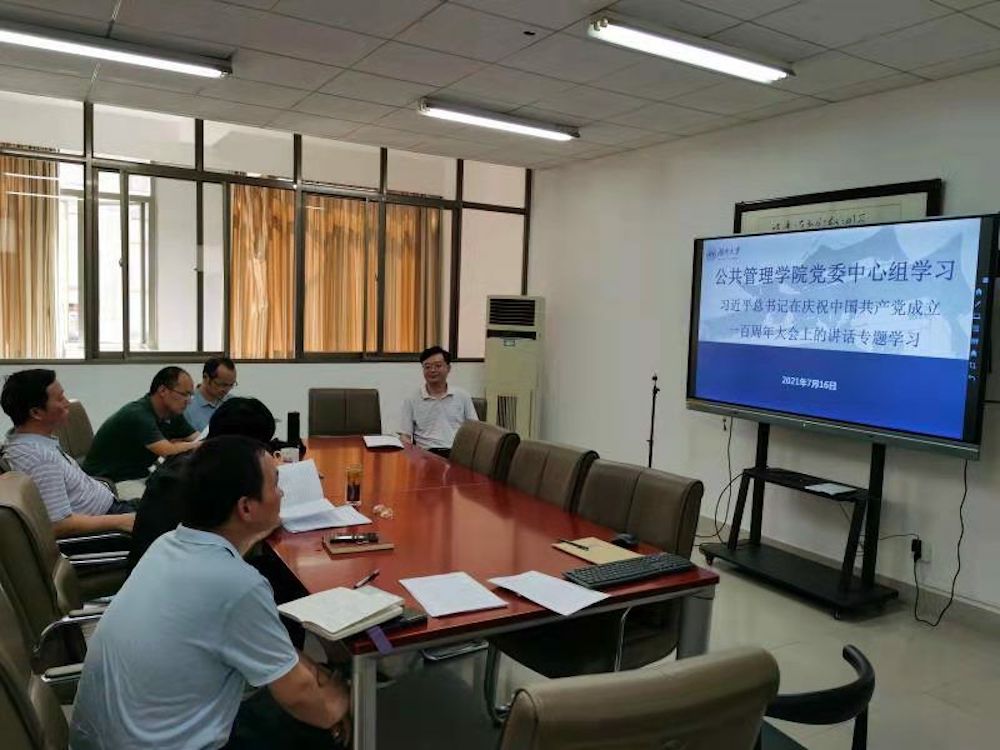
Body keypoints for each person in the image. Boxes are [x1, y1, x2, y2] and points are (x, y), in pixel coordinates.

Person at [70, 435, 351, 750]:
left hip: (105, 739)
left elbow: (271, 647)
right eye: (275, 484)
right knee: (322, 726)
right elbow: (307, 701)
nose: (282, 493)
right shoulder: (237, 585)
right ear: (246, 507)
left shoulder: (166, 545)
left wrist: (314, 673)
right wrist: (345, 698)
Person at [128, 396, 277, 569]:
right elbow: (219, 554)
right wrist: (261, 528)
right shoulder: (199, 481)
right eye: (260, 450)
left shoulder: (194, 461)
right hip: (176, 574)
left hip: (170, 568)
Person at [0, 369, 135, 538]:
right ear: (36, 413)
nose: (67, 403)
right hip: (109, 526)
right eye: (59, 399)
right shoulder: (39, 459)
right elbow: (59, 525)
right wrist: (122, 521)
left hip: (112, 510)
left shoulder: (31, 441)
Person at [82, 367, 200, 498]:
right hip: (110, 481)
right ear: (163, 390)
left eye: (191, 395)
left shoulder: (172, 414)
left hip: (139, 475)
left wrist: (205, 443)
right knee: (157, 505)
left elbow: (198, 438)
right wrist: (197, 445)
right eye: (184, 394)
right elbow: (167, 451)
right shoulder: (138, 414)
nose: (189, 401)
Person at [400, 346, 478, 457]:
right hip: (425, 455)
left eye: (438, 366)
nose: (432, 370)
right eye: (427, 367)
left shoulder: (462, 396)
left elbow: (474, 431)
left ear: (448, 368)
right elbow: (405, 436)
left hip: (456, 454)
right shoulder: (411, 399)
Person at [185, 356, 238, 433]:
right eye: (222, 384)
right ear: (206, 377)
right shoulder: (186, 406)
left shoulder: (233, 404)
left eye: (231, 385)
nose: (227, 390)